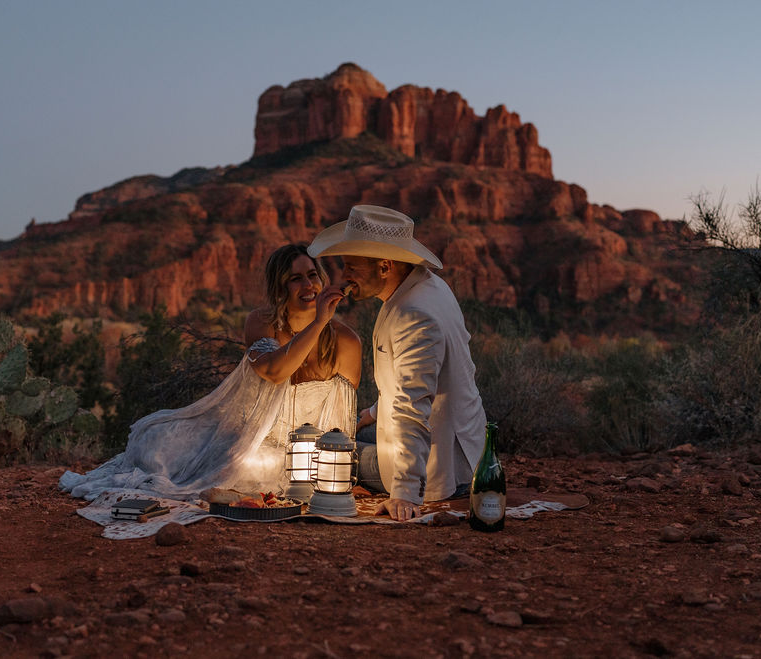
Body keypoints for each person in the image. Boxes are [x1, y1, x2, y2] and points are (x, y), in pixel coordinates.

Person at [59, 244, 361, 502]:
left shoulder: (346, 341)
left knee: (246, 465)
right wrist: (319, 322)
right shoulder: (262, 322)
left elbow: (342, 421)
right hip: (246, 435)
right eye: (295, 279)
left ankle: (232, 486)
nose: (308, 286)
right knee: (154, 438)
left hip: (297, 454)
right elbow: (273, 371)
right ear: (279, 287)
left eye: (312, 275)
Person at [309, 205, 487, 522]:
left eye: (351, 266)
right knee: (344, 433)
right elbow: (419, 376)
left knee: (324, 454)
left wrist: (404, 493)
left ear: (385, 266)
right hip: (459, 443)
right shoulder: (425, 287)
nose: (344, 276)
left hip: (439, 464)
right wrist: (370, 414)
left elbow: (412, 404)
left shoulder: (414, 315)